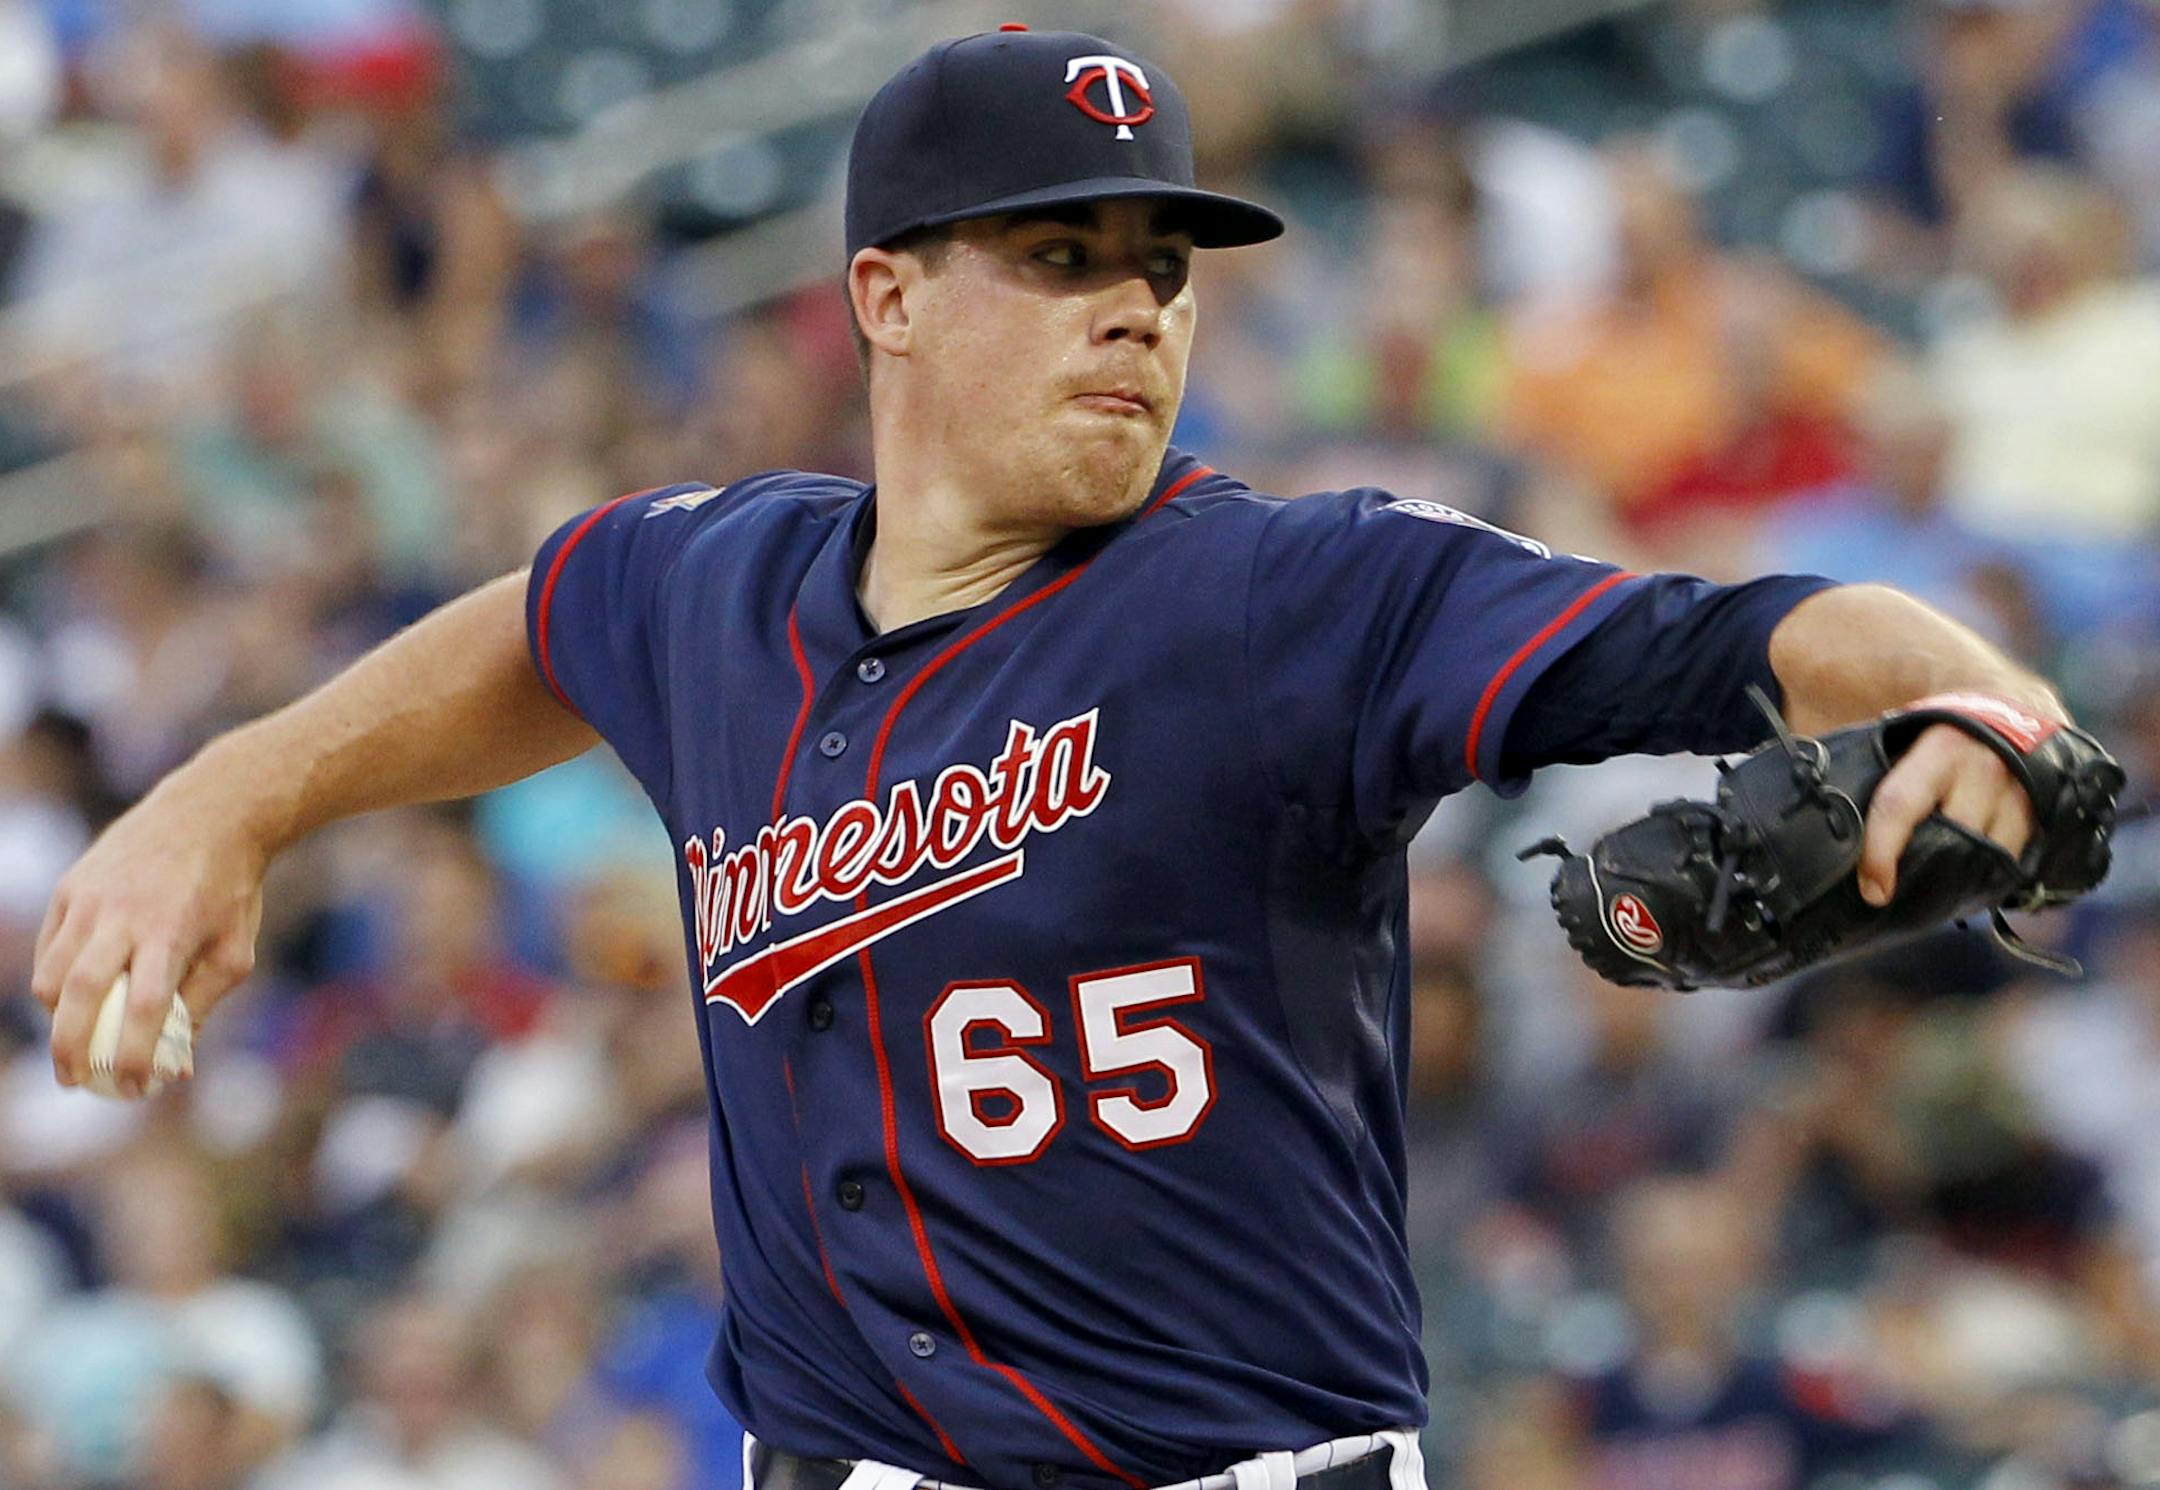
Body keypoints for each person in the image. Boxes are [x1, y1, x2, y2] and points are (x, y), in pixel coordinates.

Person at [33, 27, 2067, 1490]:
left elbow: (1730, 636)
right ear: (886, 298)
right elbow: (536, 625)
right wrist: (228, 796)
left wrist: (1983, 701)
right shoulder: (710, 592)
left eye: (1160, 268)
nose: (1136, 312)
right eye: (1064, 256)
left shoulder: (1286, 598)